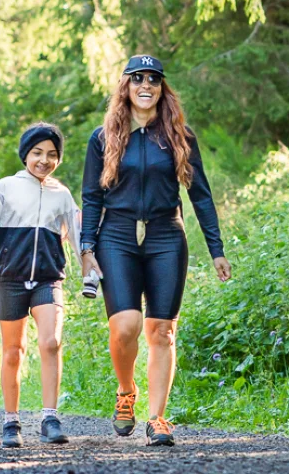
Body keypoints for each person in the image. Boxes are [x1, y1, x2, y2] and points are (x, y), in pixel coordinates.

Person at [78, 54, 234, 447]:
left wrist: (216, 248)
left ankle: (158, 418)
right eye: (137, 79)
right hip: (116, 236)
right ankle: (126, 391)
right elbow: (92, 197)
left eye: (153, 79)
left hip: (167, 235)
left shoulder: (181, 137)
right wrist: (86, 247)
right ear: (126, 86)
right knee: (126, 326)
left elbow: (200, 195)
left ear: (162, 88)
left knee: (161, 331)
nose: (145, 85)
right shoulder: (103, 138)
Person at [0, 123, 80, 448]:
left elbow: (78, 235)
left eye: (51, 155)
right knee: (13, 352)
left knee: (51, 342)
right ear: (25, 155)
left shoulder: (62, 194)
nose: (44, 160)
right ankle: (11, 421)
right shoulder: (5, 187)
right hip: (11, 279)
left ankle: (50, 417)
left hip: (48, 278)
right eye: (37, 153)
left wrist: (95, 270)